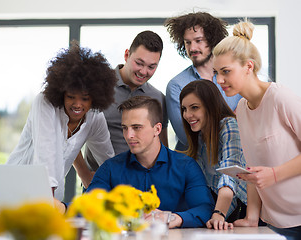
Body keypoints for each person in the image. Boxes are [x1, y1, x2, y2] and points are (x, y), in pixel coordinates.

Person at [213, 21, 301, 240]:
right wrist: (252, 216)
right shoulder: (241, 109)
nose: (219, 80)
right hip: (273, 222)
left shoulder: (280, 98)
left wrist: (273, 174)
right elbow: (253, 168)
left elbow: (268, 174)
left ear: (248, 66)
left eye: (226, 72)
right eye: (216, 73)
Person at [6, 42, 117, 201]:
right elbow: (46, 156)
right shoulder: (45, 103)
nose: (77, 104)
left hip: (53, 194)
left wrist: (125, 194)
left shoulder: (95, 117)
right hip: (15, 185)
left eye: (85, 99)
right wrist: (50, 207)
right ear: (61, 93)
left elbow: (108, 159)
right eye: (71, 97)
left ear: (95, 97)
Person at [87, 96, 214, 228]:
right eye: (125, 128)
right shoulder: (110, 168)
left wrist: (171, 218)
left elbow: (205, 209)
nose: (129, 135)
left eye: (136, 127)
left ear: (157, 129)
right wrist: (64, 208)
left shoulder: (186, 166)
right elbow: (87, 207)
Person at [164, 11, 242, 150]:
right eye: (187, 42)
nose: (192, 48)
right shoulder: (177, 85)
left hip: (234, 161)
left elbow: (249, 123)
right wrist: (232, 123)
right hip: (193, 166)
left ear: (212, 40)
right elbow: (187, 137)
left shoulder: (234, 78)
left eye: (198, 41)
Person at [179, 80, 247, 230]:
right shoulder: (200, 136)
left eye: (194, 108)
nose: (187, 115)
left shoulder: (229, 125)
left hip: (246, 210)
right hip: (224, 207)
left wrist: (218, 214)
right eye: (184, 109)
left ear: (210, 106)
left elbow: (230, 174)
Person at [102, 30, 168, 156]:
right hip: (100, 172)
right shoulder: (98, 86)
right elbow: (73, 135)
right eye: (139, 63)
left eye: (151, 67)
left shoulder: (158, 98)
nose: (143, 72)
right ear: (126, 55)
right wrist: (85, 173)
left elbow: (162, 146)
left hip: (144, 174)